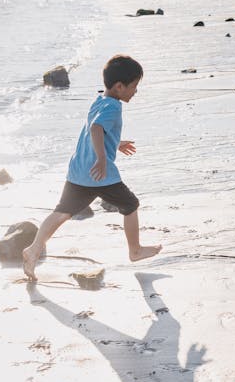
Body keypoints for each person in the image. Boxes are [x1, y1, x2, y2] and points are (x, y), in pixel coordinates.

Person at [22, 55, 162, 280]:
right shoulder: (113, 107)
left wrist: (116, 143)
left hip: (79, 170)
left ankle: (34, 248)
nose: (136, 91)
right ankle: (135, 251)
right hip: (100, 173)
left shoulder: (99, 100)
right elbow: (97, 128)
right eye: (134, 86)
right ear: (119, 87)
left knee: (62, 212)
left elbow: (95, 131)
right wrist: (102, 158)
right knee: (131, 205)